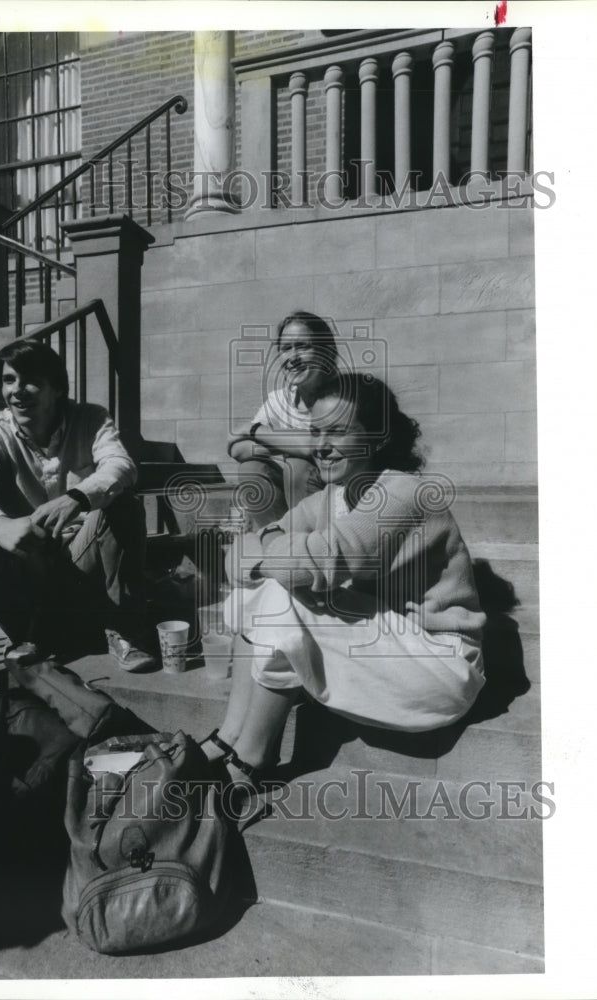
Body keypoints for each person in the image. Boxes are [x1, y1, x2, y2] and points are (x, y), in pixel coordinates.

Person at [202, 372, 486, 818]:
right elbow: (236, 558)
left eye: (337, 431)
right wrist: (271, 548)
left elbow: (318, 563)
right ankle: (229, 737)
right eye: (316, 432)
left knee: (284, 593)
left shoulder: (404, 492)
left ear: (376, 438)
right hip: (383, 645)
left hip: (438, 665)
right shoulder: (329, 498)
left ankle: (252, 758)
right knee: (254, 593)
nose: (321, 445)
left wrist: (270, 542)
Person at [0, 339, 155, 671]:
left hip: (83, 558)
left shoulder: (90, 418)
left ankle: (124, 629)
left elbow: (121, 465)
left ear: (58, 388)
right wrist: (0, 526)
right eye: (9, 380)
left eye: (31, 381)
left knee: (124, 503)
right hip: (28, 559)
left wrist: (77, 498)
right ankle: (28, 634)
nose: (17, 391)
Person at [228, 310, 339, 529]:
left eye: (303, 346)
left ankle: (311, 542)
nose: (292, 357)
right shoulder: (280, 400)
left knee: (297, 468)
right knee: (251, 468)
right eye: (286, 348)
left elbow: (314, 444)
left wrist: (254, 430)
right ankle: (275, 539)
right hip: (294, 497)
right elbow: (237, 448)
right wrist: (291, 446)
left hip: (342, 495)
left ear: (326, 351)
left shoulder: (341, 398)